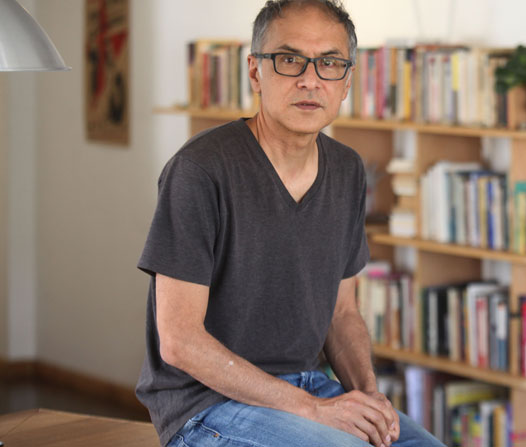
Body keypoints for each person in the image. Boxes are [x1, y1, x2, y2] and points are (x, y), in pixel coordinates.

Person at [135, 1, 444, 446]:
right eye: (289, 59)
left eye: (330, 63)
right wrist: (312, 410)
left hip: (307, 386)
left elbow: (342, 313)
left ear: (347, 82)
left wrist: (369, 398)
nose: (310, 79)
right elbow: (180, 341)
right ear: (255, 72)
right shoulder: (200, 170)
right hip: (206, 404)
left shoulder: (348, 170)